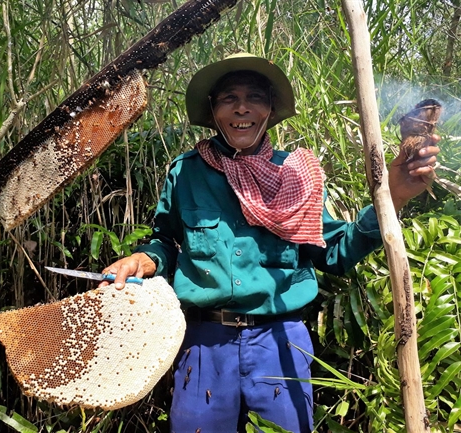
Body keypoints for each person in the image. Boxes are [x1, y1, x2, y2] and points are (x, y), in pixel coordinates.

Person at [98, 53, 440, 433]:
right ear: (212, 112)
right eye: (229, 98)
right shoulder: (186, 172)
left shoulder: (296, 174)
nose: (242, 108)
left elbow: (336, 252)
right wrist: (143, 260)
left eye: (255, 97)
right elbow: (165, 241)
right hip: (204, 343)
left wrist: (392, 198)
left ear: (270, 110)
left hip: (279, 342)